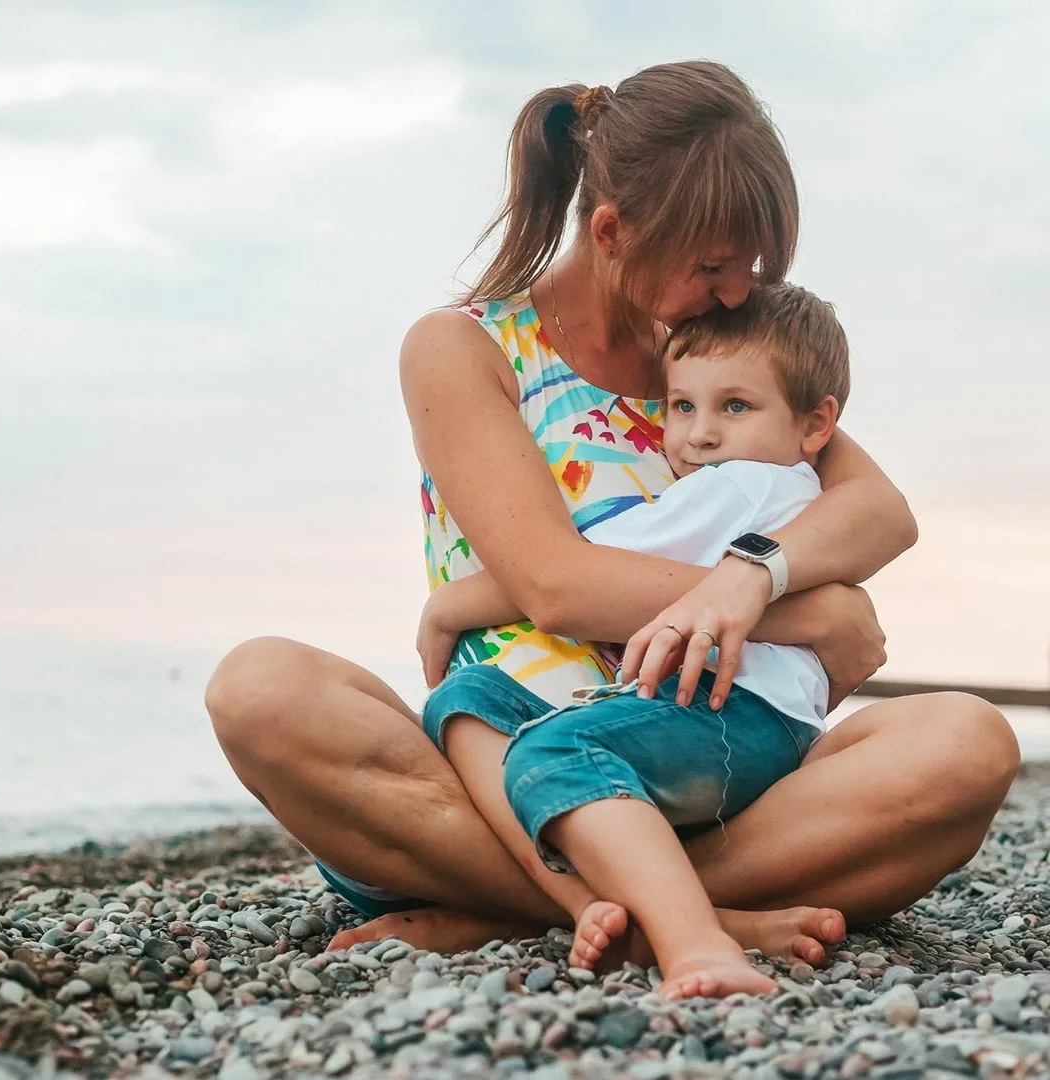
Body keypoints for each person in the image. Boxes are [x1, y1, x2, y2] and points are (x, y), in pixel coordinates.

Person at [204, 61, 1019, 965]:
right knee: (261, 689)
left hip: (702, 766)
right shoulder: (467, 348)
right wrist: (815, 611)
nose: (739, 291)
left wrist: (755, 575)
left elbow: (879, 512)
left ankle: (546, 909)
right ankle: (676, 911)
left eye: (751, 266)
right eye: (713, 265)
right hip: (497, 768)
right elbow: (556, 585)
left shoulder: (713, 361)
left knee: (968, 743)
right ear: (611, 231)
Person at [417, 282, 862, 998]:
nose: (699, 433)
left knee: (557, 749)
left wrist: (450, 606)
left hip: (733, 716)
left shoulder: (741, 485)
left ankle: (695, 944)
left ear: (816, 425)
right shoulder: (779, 485)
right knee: (471, 702)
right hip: (731, 715)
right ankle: (670, 909)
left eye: (734, 407)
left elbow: (588, 565)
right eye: (682, 406)